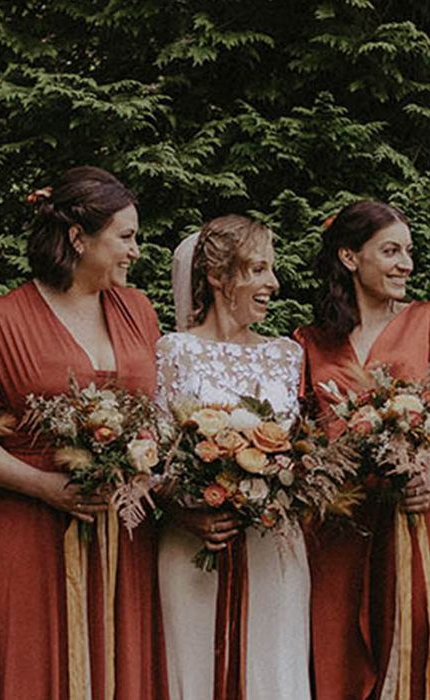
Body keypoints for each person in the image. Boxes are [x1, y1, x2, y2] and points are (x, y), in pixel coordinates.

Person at [0, 166, 168, 699]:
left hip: (120, 530)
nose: (136, 251)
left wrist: (147, 474)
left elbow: (160, 417)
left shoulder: (138, 311)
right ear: (78, 238)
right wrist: (44, 485)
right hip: (25, 527)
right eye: (125, 237)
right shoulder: (0, 320)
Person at [156, 215, 311, 699]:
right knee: (195, 666)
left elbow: (301, 449)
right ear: (218, 277)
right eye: (258, 270)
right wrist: (185, 509)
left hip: (273, 548)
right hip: (194, 544)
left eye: (271, 270)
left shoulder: (287, 355)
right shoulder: (173, 351)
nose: (273, 283)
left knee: (273, 667)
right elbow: (155, 457)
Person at [294, 200, 430, 700]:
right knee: (334, 654)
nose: (406, 265)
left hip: (414, 523)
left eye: (409, 252)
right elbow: (298, 440)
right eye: (391, 251)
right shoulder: (310, 343)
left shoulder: (427, 323)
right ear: (350, 257)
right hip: (339, 529)